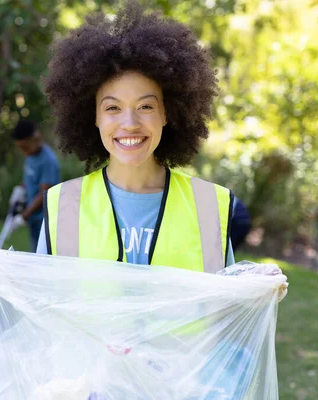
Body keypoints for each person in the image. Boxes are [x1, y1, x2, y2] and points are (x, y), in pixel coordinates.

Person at [38, 1, 287, 302]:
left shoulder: (210, 206)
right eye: (113, 108)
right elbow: (45, 318)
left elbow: (224, 313)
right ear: (93, 117)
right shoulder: (62, 206)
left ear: (167, 113)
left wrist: (253, 292)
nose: (129, 123)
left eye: (145, 106)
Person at [10, 120, 61, 252]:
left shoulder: (48, 161)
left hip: (44, 218)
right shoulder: (31, 156)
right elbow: (29, 179)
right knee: (34, 251)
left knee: (43, 255)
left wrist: (23, 217)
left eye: (25, 147)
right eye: (20, 148)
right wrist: (20, 189)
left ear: (35, 139)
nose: (23, 151)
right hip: (33, 216)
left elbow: (45, 193)